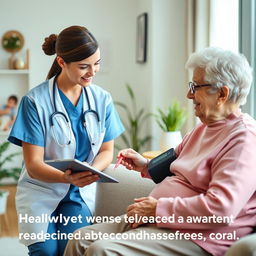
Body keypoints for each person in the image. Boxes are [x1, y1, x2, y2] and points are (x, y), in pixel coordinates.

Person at [64, 47, 256, 256]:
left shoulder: (243, 140)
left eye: (196, 86)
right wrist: (145, 166)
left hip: (201, 236)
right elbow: (175, 162)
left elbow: (221, 209)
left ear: (222, 93)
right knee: (79, 239)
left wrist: (158, 209)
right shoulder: (204, 127)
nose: (189, 94)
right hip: (165, 221)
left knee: (101, 251)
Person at [8, 25, 124, 256]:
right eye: (84, 66)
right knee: (45, 251)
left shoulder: (102, 100)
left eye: (97, 63)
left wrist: (91, 173)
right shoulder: (35, 102)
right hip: (39, 191)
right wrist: (66, 177)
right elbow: (33, 165)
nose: (93, 72)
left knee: (72, 249)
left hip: (78, 194)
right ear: (61, 62)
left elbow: (106, 151)